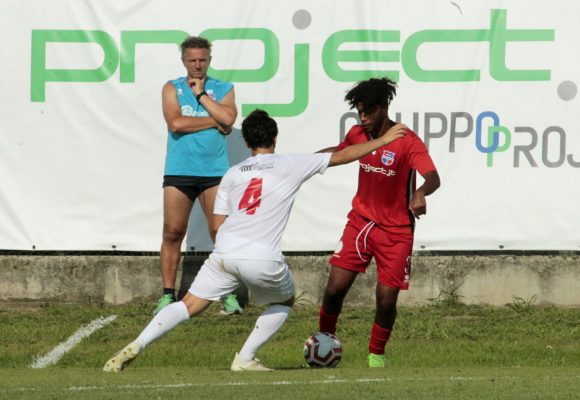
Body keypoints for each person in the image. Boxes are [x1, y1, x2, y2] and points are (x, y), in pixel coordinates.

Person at [103, 109, 407, 372]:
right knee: (285, 300)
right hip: (262, 256)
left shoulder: (233, 173)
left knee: (189, 304)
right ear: (275, 138)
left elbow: (216, 224)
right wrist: (382, 140)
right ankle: (246, 357)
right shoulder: (290, 163)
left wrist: (227, 253)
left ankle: (137, 344)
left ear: (247, 142)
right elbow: (341, 157)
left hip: (224, 251)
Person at [318, 77, 441, 368]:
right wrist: (300, 163)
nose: (363, 118)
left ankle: (376, 355)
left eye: (368, 112)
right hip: (360, 223)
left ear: (383, 108)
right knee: (334, 288)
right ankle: (324, 344)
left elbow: (433, 177)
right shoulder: (359, 133)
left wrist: (420, 192)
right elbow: (338, 153)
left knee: (386, 299)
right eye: (359, 112)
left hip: (396, 231)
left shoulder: (407, 141)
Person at [156, 35, 243, 316]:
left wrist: (201, 96)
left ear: (209, 60)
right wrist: (214, 120)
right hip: (180, 170)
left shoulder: (223, 88)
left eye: (202, 60)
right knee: (173, 232)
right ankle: (168, 295)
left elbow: (229, 119)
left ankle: (227, 295)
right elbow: (176, 123)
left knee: (220, 232)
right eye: (192, 60)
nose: (197, 65)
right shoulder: (171, 88)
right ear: (184, 61)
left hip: (214, 172)